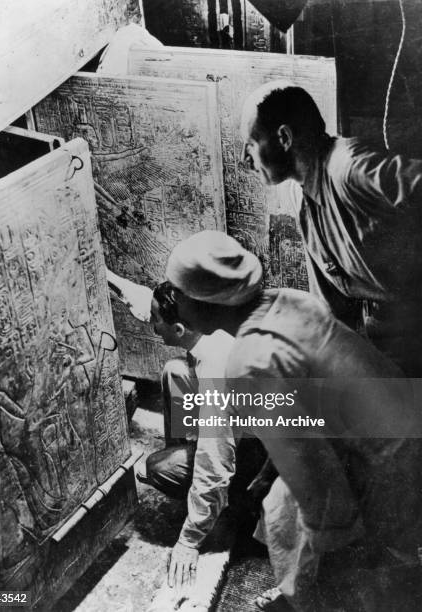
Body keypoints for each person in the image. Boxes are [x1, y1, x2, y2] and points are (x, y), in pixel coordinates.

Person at [164, 230, 422, 612]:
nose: (173, 299)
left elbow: (319, 487)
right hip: (404, 420)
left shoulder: (250, 361)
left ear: (207, 303)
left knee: (299, 525)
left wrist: (315, 577)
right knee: (282, 504)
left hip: (389, 462)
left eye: (179, 291)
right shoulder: (289, 301)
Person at [240, 80, 422, 376]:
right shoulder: (304, 201)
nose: (245, 160)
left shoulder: (349, 167)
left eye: (250, 144)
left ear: (284, 137)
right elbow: (331, 312)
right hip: (387, 345)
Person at [106, 269, 238, 590]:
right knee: (175, 371)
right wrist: (108, 276)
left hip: (262, 460)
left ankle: (226, 508)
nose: (152, 327)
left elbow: (217, 463)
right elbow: (147, 299)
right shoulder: (205, 322)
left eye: (156, 322)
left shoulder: (216, 369)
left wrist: (189, 540)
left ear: (178, 329)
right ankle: (190, 469)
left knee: (159, 467)